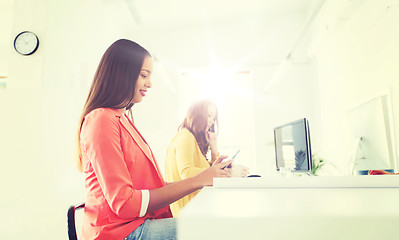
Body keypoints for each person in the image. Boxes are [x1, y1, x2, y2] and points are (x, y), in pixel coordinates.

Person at [76, 39, 232, 240]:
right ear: (122, 73)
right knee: (214, 229)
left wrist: (206, 176)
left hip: (135, 225)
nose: (149, 83)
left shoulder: (122, 119)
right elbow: (124, 203)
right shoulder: (101, 120)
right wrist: (198, 180)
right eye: (143, 75)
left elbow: (152, 188)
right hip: (117, 233)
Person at [165, 100, 248, 216]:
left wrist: (214, 149)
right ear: (196, 114)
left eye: (213, 117)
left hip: (195, 207)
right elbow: (187, 173)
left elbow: (207, 170)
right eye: (209, 115)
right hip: (190, 211)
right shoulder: (186, 137)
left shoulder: (189, 137)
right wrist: (229, 174)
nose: (212, 121)